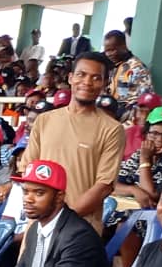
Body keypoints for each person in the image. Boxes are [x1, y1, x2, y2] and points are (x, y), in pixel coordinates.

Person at [25, 51, 125, 233]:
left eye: (96, 78)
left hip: (79, 230)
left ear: (104, 84)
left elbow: (104, 186)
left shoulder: (112, 129)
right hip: (38, 226)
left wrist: (60, 220)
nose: (87, 82)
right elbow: (29, 170)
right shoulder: (44, 120)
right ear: (70, 78)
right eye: (81, 75)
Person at [116, 105, 162, 209]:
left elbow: (154, 194)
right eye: (154, 133)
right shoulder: (139, 154)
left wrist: (145, 161)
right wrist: (133, 190)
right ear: (146, 134)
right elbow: (113, 185)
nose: (159, 139)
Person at [104, 29, 152, 104]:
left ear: (123, 46)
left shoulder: (136, 67)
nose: (108, 54)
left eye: (112, 50)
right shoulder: (115, 65)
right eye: (106, 51)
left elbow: (144, 98)